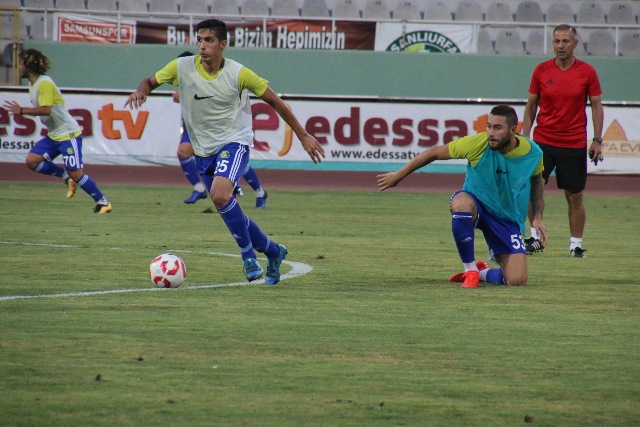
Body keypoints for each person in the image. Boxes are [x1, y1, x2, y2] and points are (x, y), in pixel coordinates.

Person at [124, 19, 324, 284]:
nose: (202, 46)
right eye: (199, 40)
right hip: (203, 151)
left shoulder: (239, 73)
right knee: (233, 211)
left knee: (219, 196)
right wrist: (141, 91)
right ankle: (275, 252)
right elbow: (148, 81)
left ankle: (248, 258)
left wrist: (302, 134)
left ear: (222, 44)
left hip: (234, 142)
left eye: (208, 40)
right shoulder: (181, 67)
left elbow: (275, 101)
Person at [377, 105, 546, 288]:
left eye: (497, 128)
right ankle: (470, 269)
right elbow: (434, 153)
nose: (490, 132)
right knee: (461, 202)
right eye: (488, 126)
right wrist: (398, 176)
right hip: (477, 205)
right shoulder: (477, 144)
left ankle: (482, 272)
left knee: (516, 280)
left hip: (506, 218)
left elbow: (537, 182)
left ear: (513, 130)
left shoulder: (533, 154)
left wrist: (536, 218)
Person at [522, 24, 604, 258]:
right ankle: (534, 238)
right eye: (557, 41)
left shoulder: (587, 72)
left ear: (575, 44)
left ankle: (575, 245)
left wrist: (597, 139)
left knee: (575, 195)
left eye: (565, 41)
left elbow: (597, 106)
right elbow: (530, 106)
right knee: (533, 190)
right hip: (543, 142)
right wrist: (525, 140)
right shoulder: (541, 70)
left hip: (574, 143)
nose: (560, 46)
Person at [2, 48, 112, 214]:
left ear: (29, 66)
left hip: (68, 135)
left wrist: (22, 110)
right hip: (55, 135)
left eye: (20, 64)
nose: (18, 67)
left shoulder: (44, 83)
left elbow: (46, 110)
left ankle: (103, 202)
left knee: (76, 173)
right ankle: (65, 177)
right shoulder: (33, 84)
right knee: (32, 161)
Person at [170, 54, 268, 208]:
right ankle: (200, 188)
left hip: (221, 130)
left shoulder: (220, 77)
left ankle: (258, 192)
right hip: (196, 130)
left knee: (231, 163)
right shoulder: (185, 78)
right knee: (183, 152)